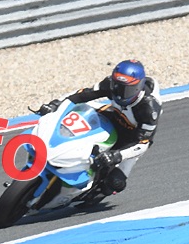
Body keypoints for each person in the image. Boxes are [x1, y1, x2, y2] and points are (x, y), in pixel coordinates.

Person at [37, 59, 161, 197]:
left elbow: (143, 143)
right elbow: (81, 94)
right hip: (114, 117)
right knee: (77, 116)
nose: (119, 93)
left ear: (138, 88)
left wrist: (117, 155)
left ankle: (96, 192)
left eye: (126, 90)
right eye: (116, 86)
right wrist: (56, 104)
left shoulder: (149, 109)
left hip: (132, 139)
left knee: (115, 183)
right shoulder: (110, 84)